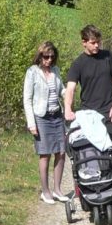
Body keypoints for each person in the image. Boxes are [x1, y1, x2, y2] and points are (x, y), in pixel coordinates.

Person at [64, 24, 112, 190]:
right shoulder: (78, 63)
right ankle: (91, 189)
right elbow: (70, 88)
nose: (97, 45)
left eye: (98, 41)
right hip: (88, 115)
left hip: (109, 112)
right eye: (93, 42)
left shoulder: (109, 57)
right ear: (84, 42)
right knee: (88, 153)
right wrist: (68, 109)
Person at [22, 41, 69, 204]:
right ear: (40, 56)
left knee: (61, 152)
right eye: (46, 56)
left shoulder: (55, 71)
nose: (49, 60)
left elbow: (61, 90)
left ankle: (57, 189)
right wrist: (31, 123)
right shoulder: (32, 72)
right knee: (45, 154)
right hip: (41, 118)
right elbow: (27, 99)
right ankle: (45, 191)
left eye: (52, 57)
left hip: (57, 116)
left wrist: (68, 92)